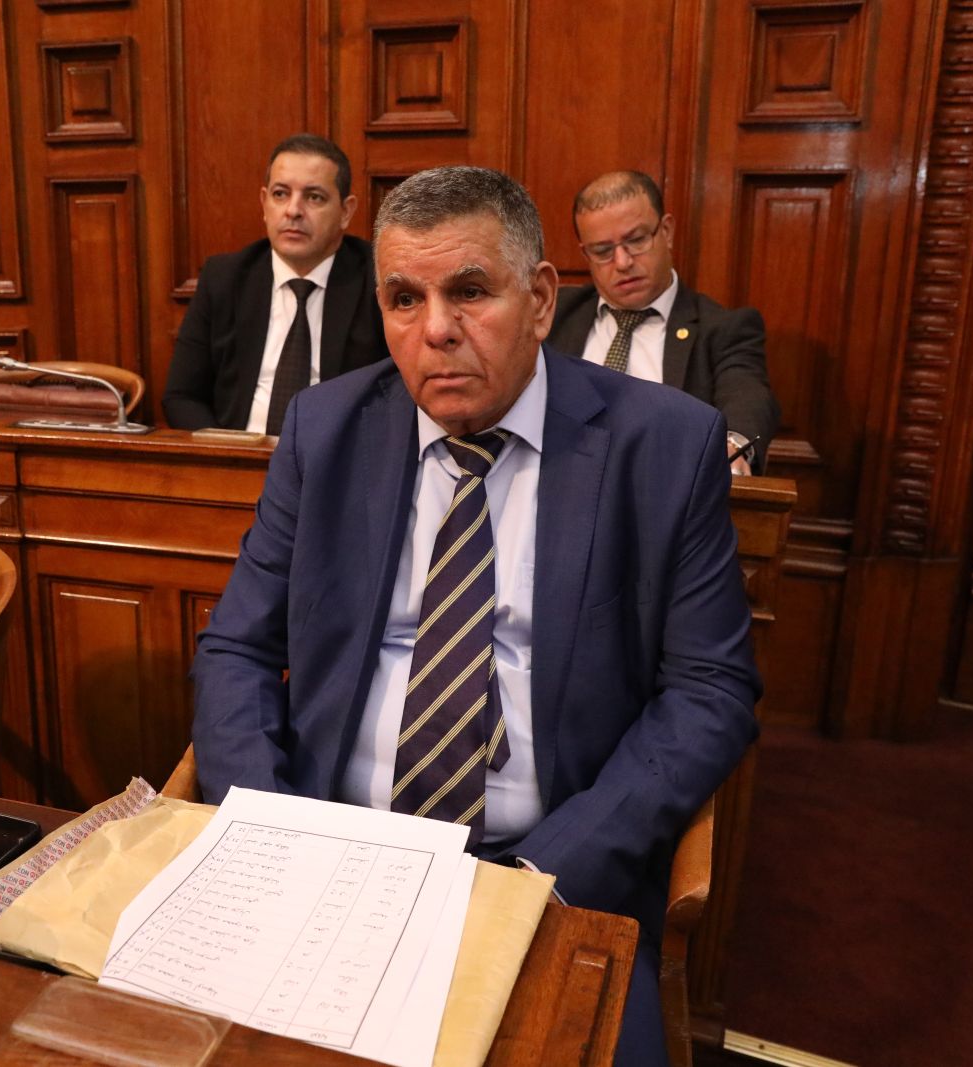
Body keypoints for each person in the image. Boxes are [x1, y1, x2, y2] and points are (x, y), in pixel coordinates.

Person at [191, 165, 760, 1065]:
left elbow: (709, 690)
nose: (436, 330)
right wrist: (275, 830)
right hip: (331, 850)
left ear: (539, 299)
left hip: (547, 867)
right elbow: (237, 648)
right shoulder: (324, 428)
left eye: (468, 291)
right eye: (403, 299)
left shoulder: (664, 443)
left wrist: (548, 871)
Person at [548, 170, 780, 473]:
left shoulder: (722, 329)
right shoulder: (552, 313)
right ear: (585, 254)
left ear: (666, 231)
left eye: (636, 240)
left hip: (660, 488)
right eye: (602, 251)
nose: (623, 262)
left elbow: (747, 394)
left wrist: (732, 446)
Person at [162, 133, 389, 433]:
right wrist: (225, 450)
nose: (293, 211)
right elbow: (181, 396)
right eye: (280, 194)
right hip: (237, 451)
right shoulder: (225, 278)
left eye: (314, 197)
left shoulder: (378, 282)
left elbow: (398, 398)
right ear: (264, 203)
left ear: (345, 211)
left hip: (339, 457)